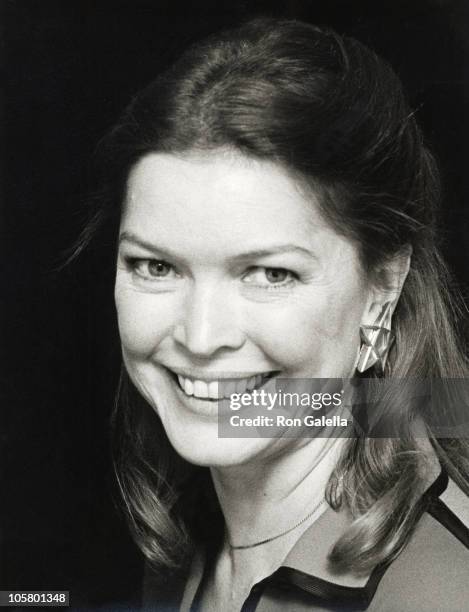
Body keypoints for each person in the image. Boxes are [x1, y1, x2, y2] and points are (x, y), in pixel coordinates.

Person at [81, 17, 469, 611]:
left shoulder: (445, 591)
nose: (201, 337)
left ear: (382, 288)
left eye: (269, 273)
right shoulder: (187, 535)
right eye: (156, 267)